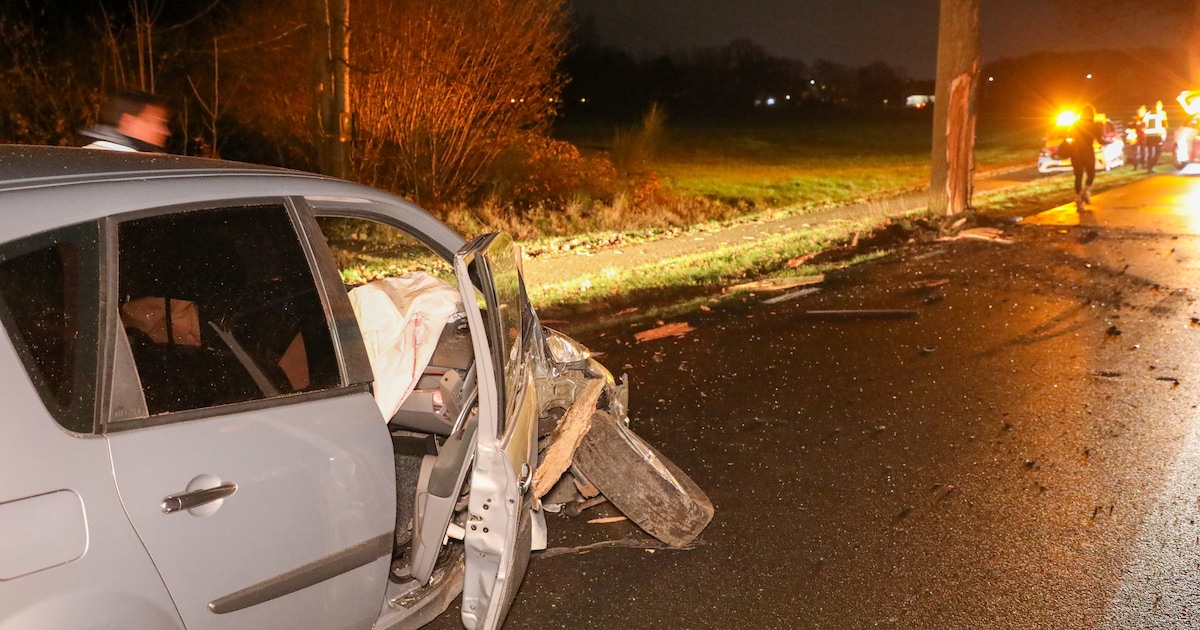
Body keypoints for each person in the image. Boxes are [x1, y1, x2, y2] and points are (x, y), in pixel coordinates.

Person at [79, 90, 170, 153]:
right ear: (128, 121)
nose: (165, 132)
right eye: (157, 122)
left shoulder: (88, 155)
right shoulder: (129, 167)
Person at [1066, 104, 1103, 211]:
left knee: (1078, 176)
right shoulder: (1095, 125)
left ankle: (1078, 197)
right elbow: (1099, 140)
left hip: (1076, 152)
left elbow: (1069, 137)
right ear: (1092, 114)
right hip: (1088, 151)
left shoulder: (1075, 124)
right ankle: (1085, 192)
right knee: (1091, 173)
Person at [1143, 100, 1168, 173]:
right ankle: (1151, 166)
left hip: (1149, 136)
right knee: (1158, 152)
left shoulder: (1147, 114)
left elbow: (1144, 125)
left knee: (1150, 153)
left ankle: (1149, 167)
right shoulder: (1162, 114)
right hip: (1157, 136)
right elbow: (1165, 125)